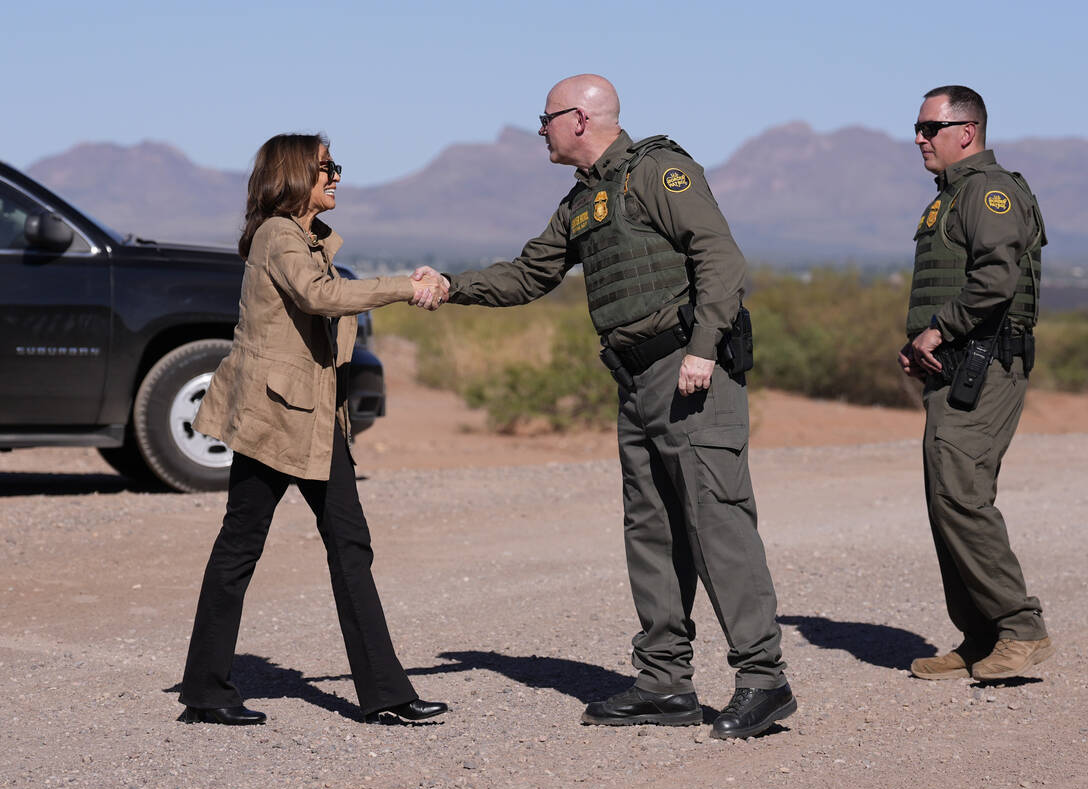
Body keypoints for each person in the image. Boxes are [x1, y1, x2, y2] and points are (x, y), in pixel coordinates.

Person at [412, 75, 795, 739]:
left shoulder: (660, 173)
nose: (540, 130)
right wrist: (451, 287)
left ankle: (763, 679)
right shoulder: (584, 201)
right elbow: (531, 273)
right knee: (651, 530)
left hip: (690, 372)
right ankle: (664, 682)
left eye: (546, 118)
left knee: (716, 523)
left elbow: (720, 258)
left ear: (581, 119)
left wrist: (703, 348)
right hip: (638, 381)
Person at [178, 133, 448, 725]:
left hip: (314, 418)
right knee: (243, 546)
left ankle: (386, 694)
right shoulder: (279, 235)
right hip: (278, 418)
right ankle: (205, 691)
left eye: (335, 167)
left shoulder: (306, 239)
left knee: (345, 545)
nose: (336, 178)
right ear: (296, 174)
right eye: (327, 168)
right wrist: (408, 287)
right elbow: (320, 297)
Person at [898, 86, 1054, 681]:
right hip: (956, 364)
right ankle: (983, 635)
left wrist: (939, 331)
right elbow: (950, 285)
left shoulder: (989, 192)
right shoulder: (951, 197)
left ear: (966, 131)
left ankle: (1020, 628)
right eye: (916, 126)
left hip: (986, 362)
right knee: (947, 497)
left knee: (962, 493)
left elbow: (996, 279)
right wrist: (920, 341)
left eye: (929, 126)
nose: (918, 137)